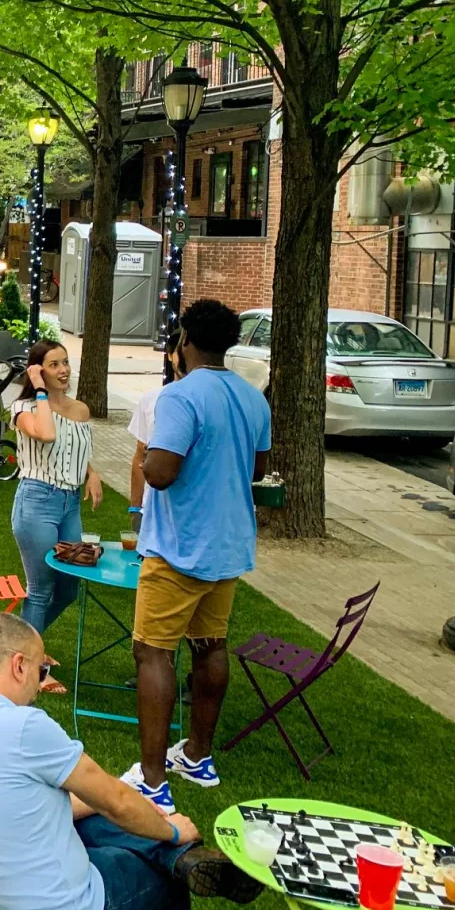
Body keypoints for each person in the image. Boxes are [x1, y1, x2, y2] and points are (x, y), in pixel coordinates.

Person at [0, 612, 263, 910]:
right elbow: (115, 802)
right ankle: (178, 855)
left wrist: (121, 798)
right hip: (62, 906)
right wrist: (173, 829)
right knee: (157, 874)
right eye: (41, 671)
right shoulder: (25, 727)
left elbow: (35, 805)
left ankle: (181, 857)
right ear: (19, 665)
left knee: (98, 816)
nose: (40, 685)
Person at [126, 301, 271, 815]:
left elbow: (161, 472)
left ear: (185, 339)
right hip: (229, 547)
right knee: (211, 647)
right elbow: (256, 464)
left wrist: (143, 458)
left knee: (153, 653)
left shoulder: (181, 396)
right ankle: (197, 755)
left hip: (178, 547)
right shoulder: (253, 398)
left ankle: (151, 779)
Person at [9, 340, 102, 692]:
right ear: (37, 371)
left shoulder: (81, 410)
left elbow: (74, 446)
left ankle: (21, 648)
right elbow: (47, 434)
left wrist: (91, 473)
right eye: (53, 365)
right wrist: (39, 392)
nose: (63, 370)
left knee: (69, 588)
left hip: (69, 504)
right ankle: (33, 668)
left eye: (65, 362)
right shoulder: (23, 407)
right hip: (37, 501)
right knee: (41, 589)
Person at [128, 345, 188, 534]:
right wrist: (135, 507)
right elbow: (140, 454)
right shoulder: (151, 399)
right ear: (170, 355)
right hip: (153, 507)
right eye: (181, 353)